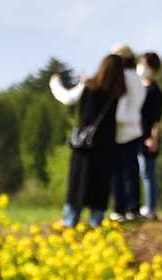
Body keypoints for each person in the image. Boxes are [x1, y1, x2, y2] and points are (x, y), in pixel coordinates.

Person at [50, 54, 128, 229]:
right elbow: (123, 119)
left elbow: (67, 98)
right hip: (105, 146)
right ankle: (95, 224)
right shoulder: (119, 93)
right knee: (100, 187)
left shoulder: (87, 85)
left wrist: (54, 83)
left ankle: (70, 222)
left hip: (84, 145)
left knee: (77, 185)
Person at [109, 44, 149, 220]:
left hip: (120, 129)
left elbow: (121, 105)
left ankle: (120, 209)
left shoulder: (122, 77)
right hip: (135, 127)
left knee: (118, 171)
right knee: (132, 170)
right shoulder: (137, 78)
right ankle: (133, 208)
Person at [138, 52, 162, 219]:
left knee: (148, 173)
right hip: (136, 135)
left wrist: (153, 138)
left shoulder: (154, 92)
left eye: (144, 64)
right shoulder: (139, 88)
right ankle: (143, 207)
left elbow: (157, 120)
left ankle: (150, 208)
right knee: (141, 173)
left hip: (148, 137)